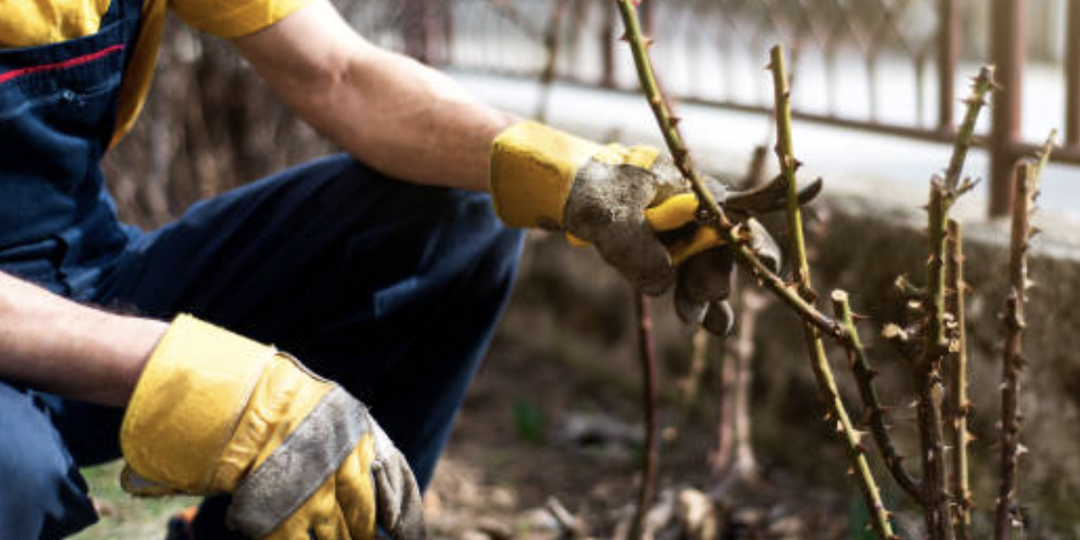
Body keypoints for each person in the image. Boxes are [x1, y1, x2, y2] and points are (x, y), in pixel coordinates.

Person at [0, 0, 804, 537]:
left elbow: (340, 72)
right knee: (14, 474)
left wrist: (567, 175)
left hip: (80, 267)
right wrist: (212, 387)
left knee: (452, 215)